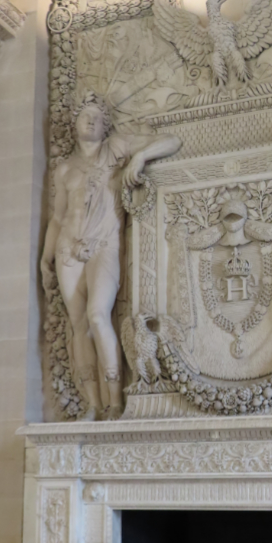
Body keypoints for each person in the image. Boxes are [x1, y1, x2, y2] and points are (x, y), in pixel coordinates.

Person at [41, 95, 181, 418]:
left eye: (96, 117)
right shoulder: (64, 170)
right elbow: (58, 218)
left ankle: (116, 401)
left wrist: (141, 156)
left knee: (97, 315)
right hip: (67, 248)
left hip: (104, 244)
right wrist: (44, 258)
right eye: (84, 116)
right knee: (78, 325)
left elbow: (172, 140)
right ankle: (93, 402)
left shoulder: (116, 148)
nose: (89, 121)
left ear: (106, 125)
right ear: (74, 124)